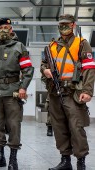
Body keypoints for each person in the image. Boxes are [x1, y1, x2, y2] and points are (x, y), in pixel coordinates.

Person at [41, 14, 95, 170]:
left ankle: (81, 162)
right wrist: (45, 70)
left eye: (66, 24)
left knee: (76, 127)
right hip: (55, 92)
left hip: (74, 92)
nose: (63, 27)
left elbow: (89, 68)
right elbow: (43, 64)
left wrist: (88, 90)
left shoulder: (82, 43)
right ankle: (65, 160)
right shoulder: (51, 46)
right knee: (59, 127)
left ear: (73, 25)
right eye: (61, 24)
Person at [0, 18, 34, 170]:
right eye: (0, 27)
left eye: (6, 27)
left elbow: (28, 70)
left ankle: (13, 159)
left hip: (13, 91)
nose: (3, 30)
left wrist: (23, 87)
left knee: (14, 125)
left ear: (11, 30)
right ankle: (0, 157)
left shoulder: (19, 47)